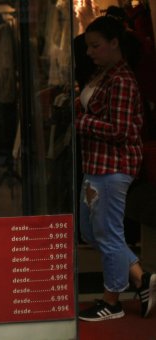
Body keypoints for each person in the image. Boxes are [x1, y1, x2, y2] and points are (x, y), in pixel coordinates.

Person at [76, 15, 155, 321]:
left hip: (112, 168)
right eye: (88, 46)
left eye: (95, 45)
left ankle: (113, 301)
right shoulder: (105, 74)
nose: (89, 52)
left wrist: (80, 121)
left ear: (114, 44)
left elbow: (121, 130)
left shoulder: (121, 80)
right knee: (92, 231)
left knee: (107, 234)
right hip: (97, 165)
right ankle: (140, 277)